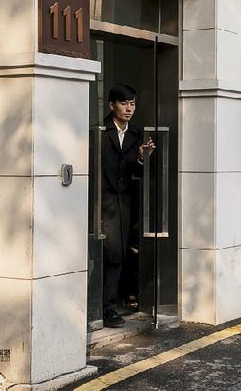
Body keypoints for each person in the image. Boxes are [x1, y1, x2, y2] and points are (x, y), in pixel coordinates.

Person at [101, 84, 155, 327]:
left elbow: (134, 172)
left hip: (125, 204)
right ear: (112, 105)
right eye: (124, 103)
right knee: (110, 255)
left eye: (132, 104)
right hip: (103, 203)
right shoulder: (101, 131)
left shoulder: (136, 133)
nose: (129, 108)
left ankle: (112, 304)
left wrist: (142, 157)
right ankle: (106, 308)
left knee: (121, 255)